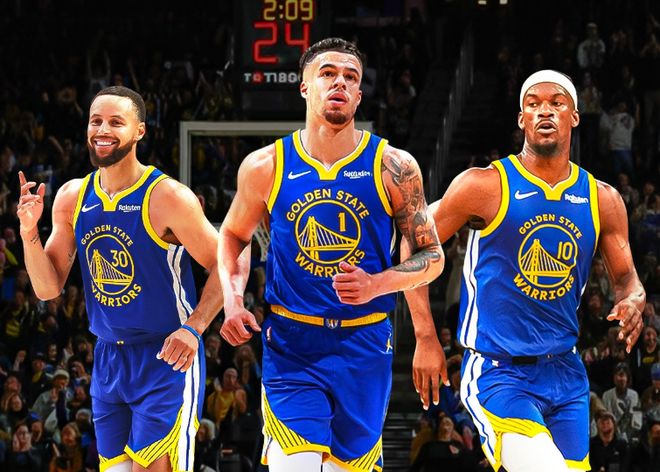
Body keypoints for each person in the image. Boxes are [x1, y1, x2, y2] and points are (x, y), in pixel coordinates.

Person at [217, 37, 446, 472]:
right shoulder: (265, 165)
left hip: (365, 343)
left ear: (359, 95)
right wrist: (232, 300)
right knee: (295, 465)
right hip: (292, 344)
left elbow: (431, 255)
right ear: (305, 87)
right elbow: (232, 235)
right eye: (327, 73)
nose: (339, 82)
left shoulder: (394, 166)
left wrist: (384, 291)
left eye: (350, 77)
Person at [404, 70, 645, 472]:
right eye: (533, 104)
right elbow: (414, 242)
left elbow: (626, 278)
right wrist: (426, 336)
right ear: (521, 119)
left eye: (556, 103)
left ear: (575, 115)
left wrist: (634, 298)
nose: (544, 111)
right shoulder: (484, 185)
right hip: (498, 373)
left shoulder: (603, 199)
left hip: (566, 373)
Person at [17, 85, 241, 472]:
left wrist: (195, 327)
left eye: (115, 122)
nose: (102, 130)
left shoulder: (168, 197)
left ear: (139, 131)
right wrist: (28, 233)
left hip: (166, 357)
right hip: (108, 359)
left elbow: (228, 263)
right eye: (96, 121)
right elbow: (47, 287)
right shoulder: (72, 196)